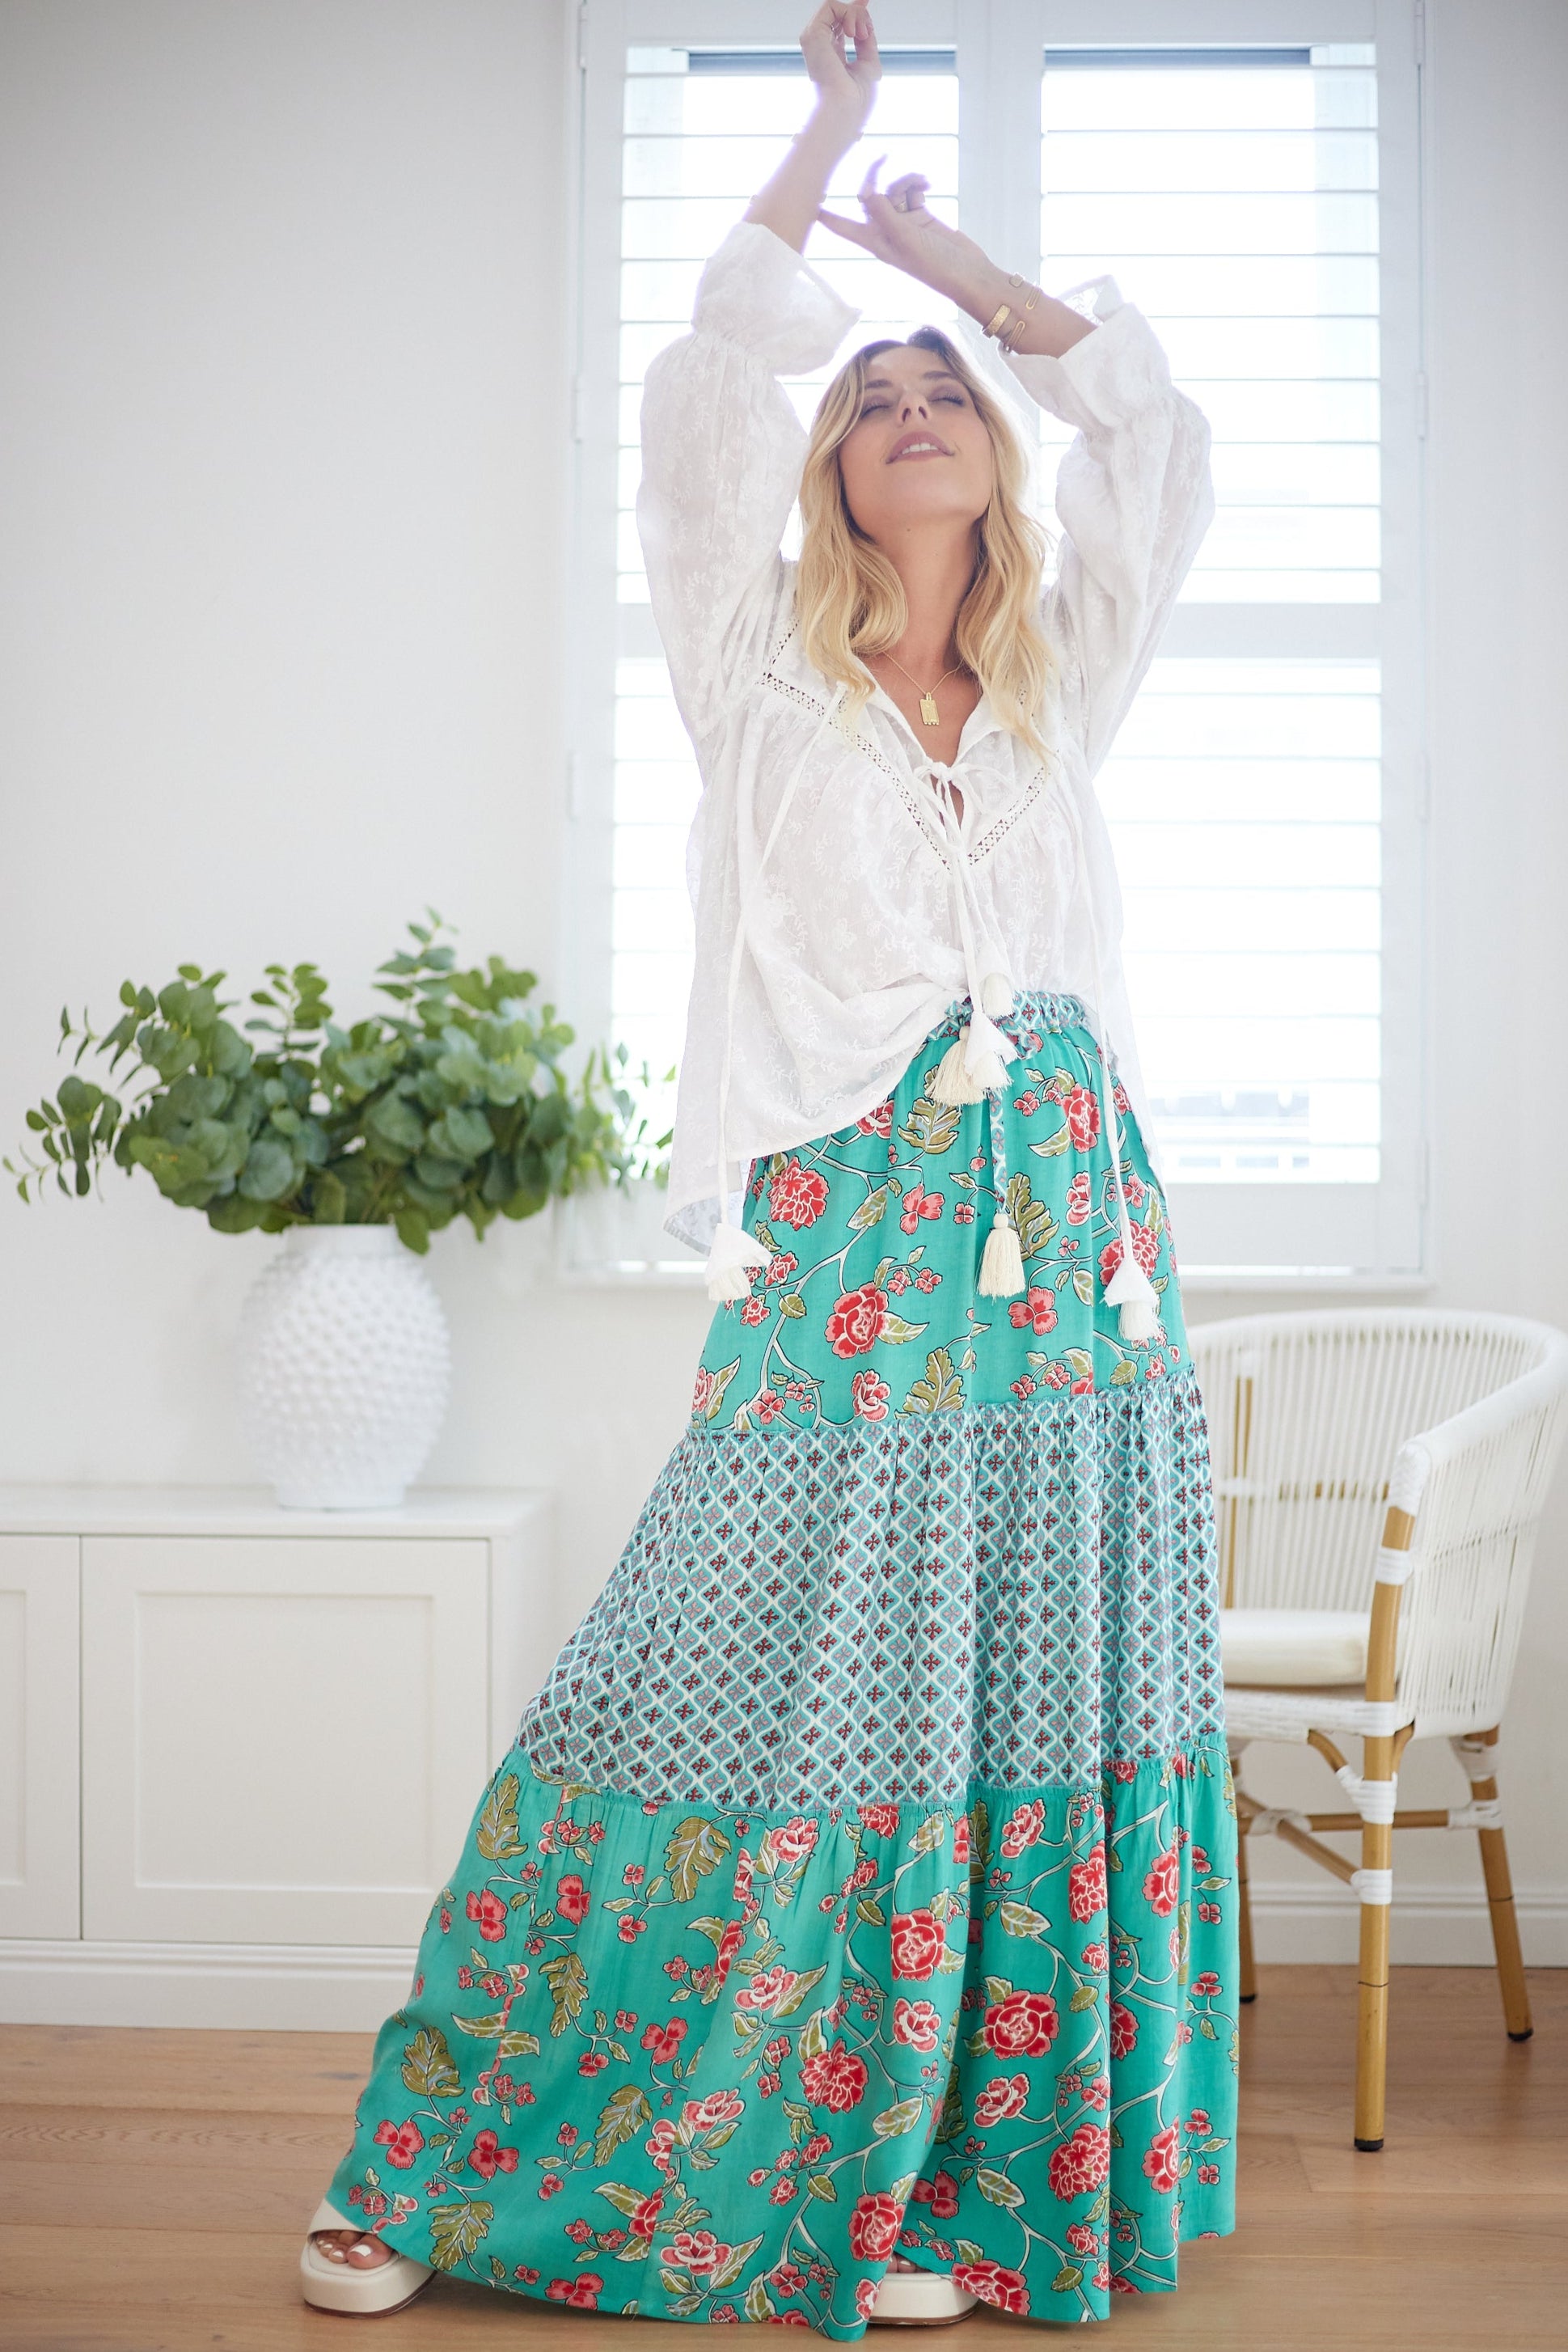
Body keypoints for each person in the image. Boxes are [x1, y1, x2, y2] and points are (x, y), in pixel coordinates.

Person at [300, 2, 1238, 2333]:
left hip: (1076, 1242)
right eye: (875, 400)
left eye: (945, 398)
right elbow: (702, 401)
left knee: (1027, 1679)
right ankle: (451, 2155)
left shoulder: (1055, 678)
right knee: (718, 1666)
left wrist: (960, 259)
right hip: (856, 1224)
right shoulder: (757, 672)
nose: (909, 412)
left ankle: (942, 2183)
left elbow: (1160, 430)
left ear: (985, 468)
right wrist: (824, 140)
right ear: (830, 481)